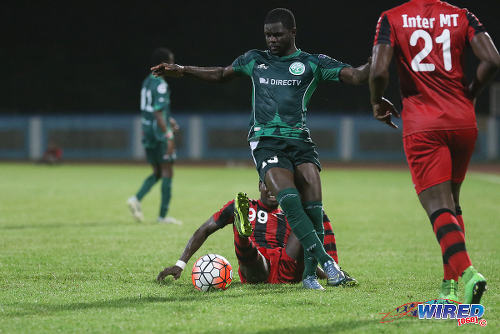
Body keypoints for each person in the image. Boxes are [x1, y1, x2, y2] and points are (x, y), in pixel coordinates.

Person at [152, 8, 370, 289]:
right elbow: (220, 73)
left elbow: (354, 76)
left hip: (301, 142)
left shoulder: (312, 63)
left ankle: (309, 275)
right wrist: (183, 70)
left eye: (278, 34)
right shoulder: (255, 60)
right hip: (267, 141)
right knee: (289, 200)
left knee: (314, 209)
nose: (272, 40)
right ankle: (327, 263)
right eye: (268, 35)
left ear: (293, 32)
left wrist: (375, 62)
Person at [369, 0, 500, 304]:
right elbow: (492, 60)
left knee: (437, 207)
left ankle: (468, 274)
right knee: (453, 203)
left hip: (423, 121)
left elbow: (377, 71)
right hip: (463, 120)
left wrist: (377, 101)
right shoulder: (462, 15)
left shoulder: (392, 17)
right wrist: (470, 93)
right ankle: (449, 287)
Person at [157, 182, 357, 288]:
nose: (271, 190)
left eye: (276, 187)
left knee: (311, 214)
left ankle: (334, 269)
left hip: (288, 263)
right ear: (260, 184)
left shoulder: (290, 214)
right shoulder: (245, 205)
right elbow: (204, 229)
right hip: (257, 265)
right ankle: (243, 233)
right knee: (251, 253)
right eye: (267, 185)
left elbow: (305, 254)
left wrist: (321, 273)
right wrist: (180, 263)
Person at [127, 47, 181, 224]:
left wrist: (169, 119)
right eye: (171, 62)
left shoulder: (147, 81)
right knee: (167, 171)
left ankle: (136, 199)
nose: (173, 65)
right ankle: (163, 217)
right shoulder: (161, 84)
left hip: (147, 131)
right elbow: (158, 112)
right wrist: (168, 135)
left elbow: (153, 110)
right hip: (158, 134)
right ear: (163, 64)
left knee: (157, 172)